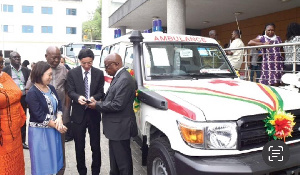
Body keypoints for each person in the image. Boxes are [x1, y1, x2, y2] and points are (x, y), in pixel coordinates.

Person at [88, 53, 138, 175]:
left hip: (120, 128)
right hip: (115, 128)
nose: (105, 70)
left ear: (117, 64)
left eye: (107, 66)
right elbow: (111, 98)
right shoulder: (119, 76)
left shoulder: (125, 79)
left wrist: (97, 105)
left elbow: (117, 104)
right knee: (115, 161)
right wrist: (99, 101)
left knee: (123, 163)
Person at [25, 46, 69, 175]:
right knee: (43, 165)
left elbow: (59, 105)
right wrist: (58, 126)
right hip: (41, 134)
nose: (51, 77)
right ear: (39, 75)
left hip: (53, 131)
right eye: (49, 75)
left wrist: (60, 118)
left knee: (55, 162)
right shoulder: (33, 93)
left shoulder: (50, 88)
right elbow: (39, 115)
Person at [67, 48, 104, 175]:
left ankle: (96, 171)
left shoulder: (99, 73)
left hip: (93, 114)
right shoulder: (72, 73)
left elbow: (101, 92)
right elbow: (70, 91)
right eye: (84, 63)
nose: (87, 66)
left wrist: (95, 98)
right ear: (79, 61)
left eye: (90, 63)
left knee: (96, 146)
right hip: (78, 115)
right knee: (79, 147)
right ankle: (82, 171)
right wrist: (78, 97)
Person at [0, 55, 26, 175]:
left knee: (16, 165)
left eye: (1, 62)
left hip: (14, 133)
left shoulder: (4, 76)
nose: (0, 66)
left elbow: (17, 92)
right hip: (2, 136)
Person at [2, 51, 30, 149]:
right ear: (10, 59)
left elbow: (29, 83)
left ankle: (22, 141)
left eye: (19, 57)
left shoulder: (26, 70)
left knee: (23, 119)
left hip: (23, 98)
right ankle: (13, 141)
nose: (17, 59)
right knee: (13, 120)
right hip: (11, 101)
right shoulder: (6, 70)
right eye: (15, 58)